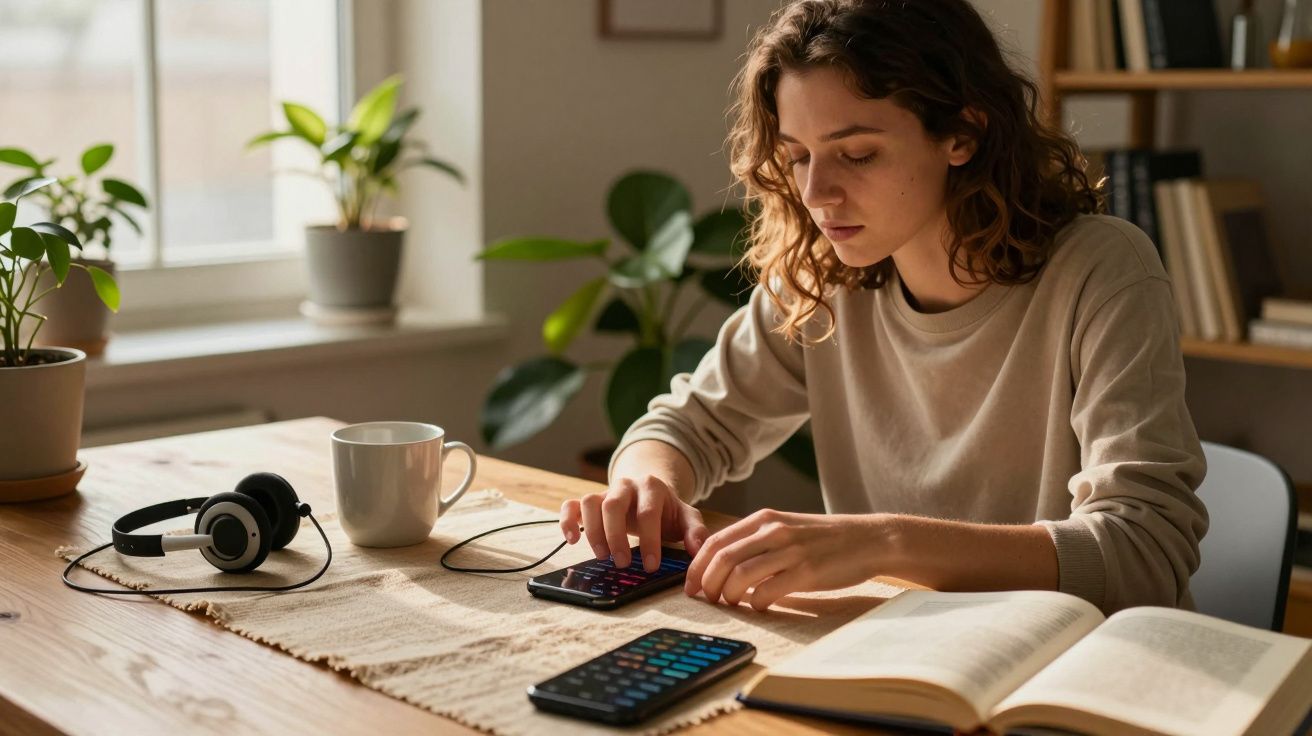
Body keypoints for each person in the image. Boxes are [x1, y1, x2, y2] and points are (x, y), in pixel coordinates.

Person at [558, 0, 1207, 616]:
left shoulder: (1102, 272)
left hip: (1071, 674)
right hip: (901, 658)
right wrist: (649, 483)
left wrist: (880, 544)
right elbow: (685, 427)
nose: (816, 193)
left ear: (963, 132)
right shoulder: (823, 280)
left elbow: (1143, 551)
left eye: (856, 154)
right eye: (799, 156)